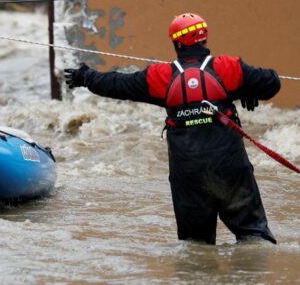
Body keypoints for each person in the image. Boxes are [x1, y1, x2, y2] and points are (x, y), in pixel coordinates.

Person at [64, 13, 280, 245]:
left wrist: (85, 76)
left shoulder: (160, 76)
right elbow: (272, 82)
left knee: (195, 246)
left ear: (176, 43)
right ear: (204, 39)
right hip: (230, 168)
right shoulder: (230, 68)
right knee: (254, 238)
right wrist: (247, 90)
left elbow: (117, 84)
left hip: (188, 174)